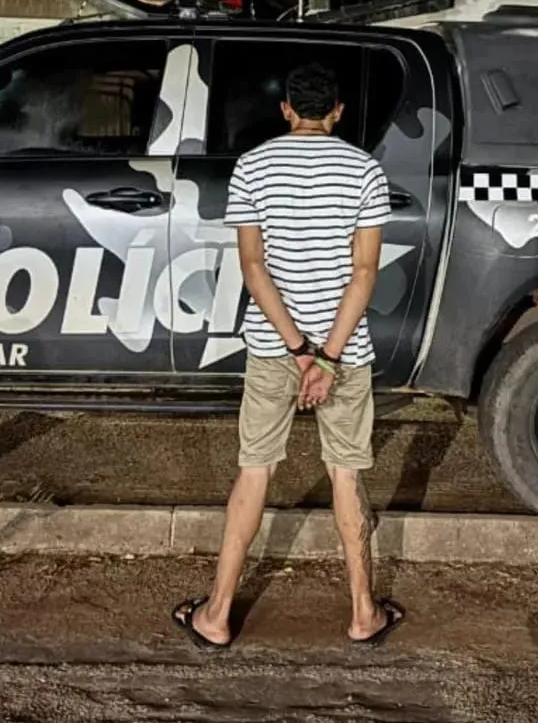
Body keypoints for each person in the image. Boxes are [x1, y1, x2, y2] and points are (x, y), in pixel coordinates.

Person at [171, 63, 404, 651]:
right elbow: (365, 271)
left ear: (286, 110)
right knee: (346, 474)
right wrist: (326, 357)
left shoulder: (253, 167)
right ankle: (362, 614)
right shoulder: (366, 171)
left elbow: (254, 269)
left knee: (255, 469)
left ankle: (217, 615)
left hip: (274, 347)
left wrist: (298, 349)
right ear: (338, 112)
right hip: (345, 350)